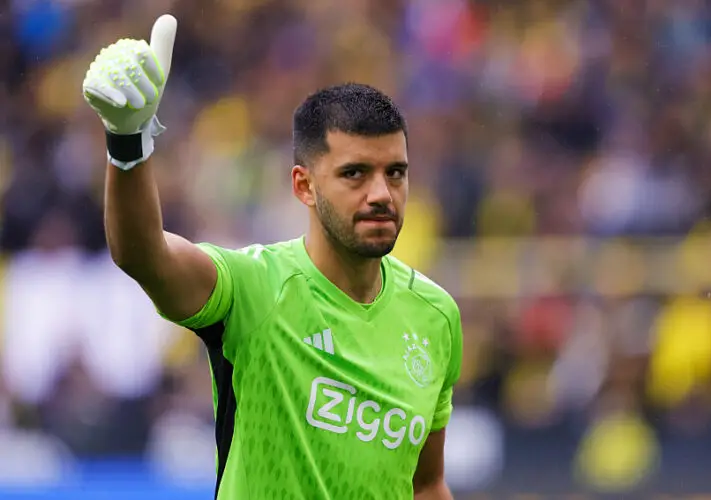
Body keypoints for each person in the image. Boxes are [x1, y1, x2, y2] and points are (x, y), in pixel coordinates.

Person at [82, 14, 463, 500]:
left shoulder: (436, 316)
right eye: (354, 174)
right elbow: (143, 254)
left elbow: (426, 483)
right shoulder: (255, 287)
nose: (381, 194)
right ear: (303, 185)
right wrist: (127, 144)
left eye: (395, 173)